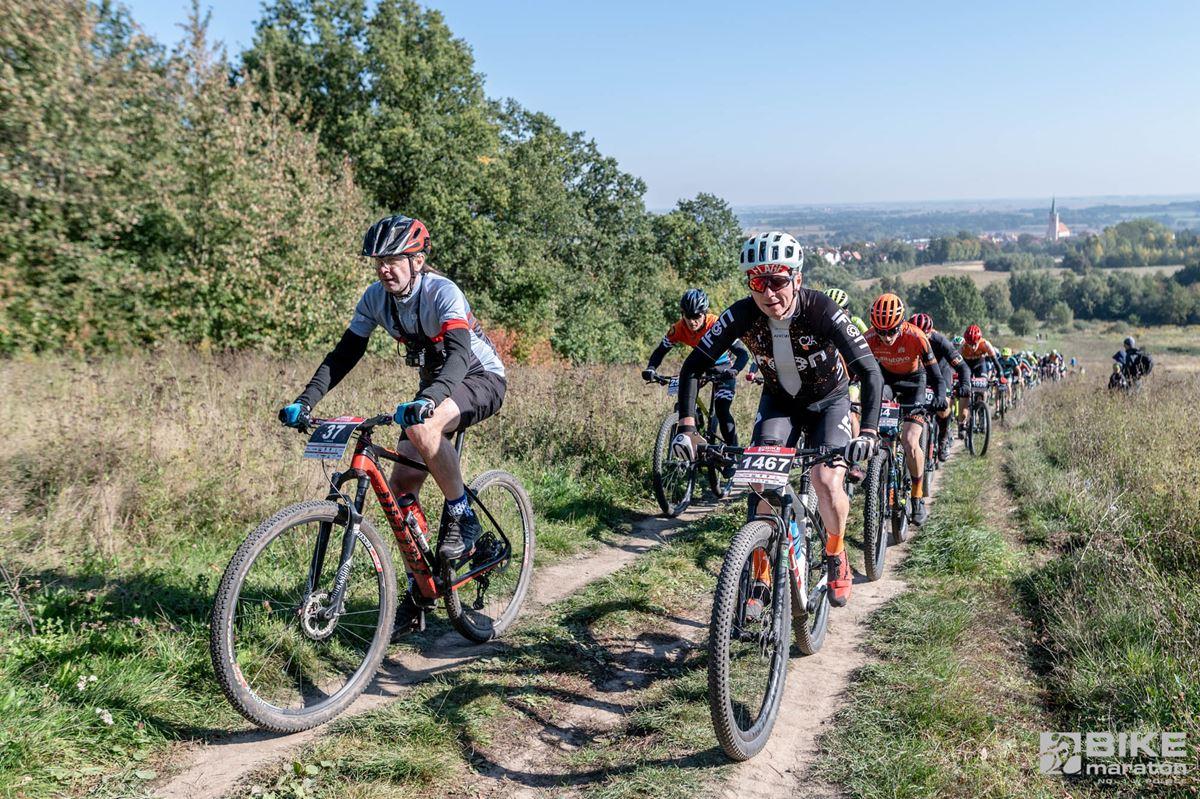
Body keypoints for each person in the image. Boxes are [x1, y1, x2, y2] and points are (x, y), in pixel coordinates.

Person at [278, 215, 507, 641]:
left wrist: (430, 399)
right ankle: (420, 593)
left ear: (417, 260)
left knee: (424, 429)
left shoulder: (442, 292)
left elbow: (459, 355)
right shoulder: (375, 299)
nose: (385, 269)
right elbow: (344, 354)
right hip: (436, 389)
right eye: (378, 261)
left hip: (479, 377)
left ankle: (463, 517)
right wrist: (306, 400)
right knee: (401, 486)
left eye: (394, 260)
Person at [671, 231, 882, 608]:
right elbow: (692, 366)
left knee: (825, 479)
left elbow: (869, 369)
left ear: (797, 279)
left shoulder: (820, 309)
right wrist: (688, 428)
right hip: (780, 404)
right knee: (761, 483)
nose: (769, 293)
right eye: (758, 283)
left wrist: (867, 431)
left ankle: (836, 552)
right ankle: (761, 571)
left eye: (778, 281)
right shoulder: (742, 314)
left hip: (829, 402)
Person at [863, 296, 946, 525]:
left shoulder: (917, 337)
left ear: (901, 324)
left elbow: (937, 377)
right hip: (887, 382)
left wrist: (940, 397)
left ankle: (917, 497)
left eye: (891, 331)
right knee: (877, 428)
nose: (886, 337)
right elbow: (854, 371)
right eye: (881, 332)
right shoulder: (868, 338)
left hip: (914, 383)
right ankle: (877, 473)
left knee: (909, 441)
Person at [643, 289, 750, 463]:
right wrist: (651, 368)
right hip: (700, 367)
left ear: (704, 313)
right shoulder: (679, 328)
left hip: (724, 368)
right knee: (684, 403)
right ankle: (694, 438)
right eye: (688, 316)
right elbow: (661, 350)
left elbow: (743, 354)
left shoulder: (716, 323)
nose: (692, 321)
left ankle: (733, 454)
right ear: (682, 314)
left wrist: (735, 370)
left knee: (722, 409)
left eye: (697, 316)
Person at [909, 312, 970, 462]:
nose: (919, 338)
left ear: (930, 332)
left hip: (941, 374)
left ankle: (943, 438)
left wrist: (964, 384)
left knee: (943, 407)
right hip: (920, 374)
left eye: (924, 335)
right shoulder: (905, 338)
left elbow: (962, 367)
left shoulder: (941, 341)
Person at [957, 324, 1003, 433]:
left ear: (979, 340)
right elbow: (955, 364)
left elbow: (996, 363)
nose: (973, 347)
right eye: (970, 344)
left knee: (983, 389)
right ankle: (961, 422)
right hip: (966, 366)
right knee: (965, 393)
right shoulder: (962, 347)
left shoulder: (985, 344)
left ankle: (982, 412)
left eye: (975, 344)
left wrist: (1000, 376)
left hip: (980, 366)